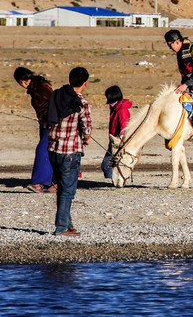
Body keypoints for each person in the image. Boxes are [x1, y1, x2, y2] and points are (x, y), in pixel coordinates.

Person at [46, 66, 92, 236]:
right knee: (68, 191)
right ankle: (61, 228)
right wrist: (85, 139)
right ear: (85, 84)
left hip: (52, 149)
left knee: (63, 189)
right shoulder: (82, 102)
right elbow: (87, 130)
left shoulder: (57, 95)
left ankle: (67, 223)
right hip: (70, 152)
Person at [13, 66, 54, 193]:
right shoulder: (36, 87)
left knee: (43, 150)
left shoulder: (41, 87)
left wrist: (50, 120)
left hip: (51, 123)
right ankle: (51, 182)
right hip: (45, 123)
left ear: (22, 81)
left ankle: (39, 182)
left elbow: (52, 103)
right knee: (49, 150)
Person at [103, 85, 131, 182]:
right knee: (110, 165)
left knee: (106, 165)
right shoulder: (116, 108)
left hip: (118, 143)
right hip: (113, 142)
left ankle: (112, 183)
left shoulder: (121, 110)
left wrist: (120, 140)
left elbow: (124, 125)